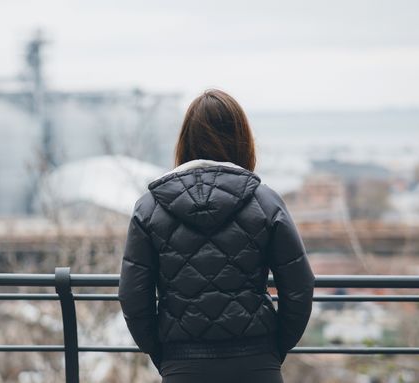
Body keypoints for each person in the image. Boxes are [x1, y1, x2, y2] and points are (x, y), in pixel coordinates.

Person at [118, 89, 315, 383]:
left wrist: (164, 354)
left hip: (182, 364)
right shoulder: (265, 202)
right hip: (257, 361)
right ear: (243, 139)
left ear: (185, 141)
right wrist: (274, 348)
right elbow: (299, 287)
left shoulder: (149, 207)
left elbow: (133, 297)